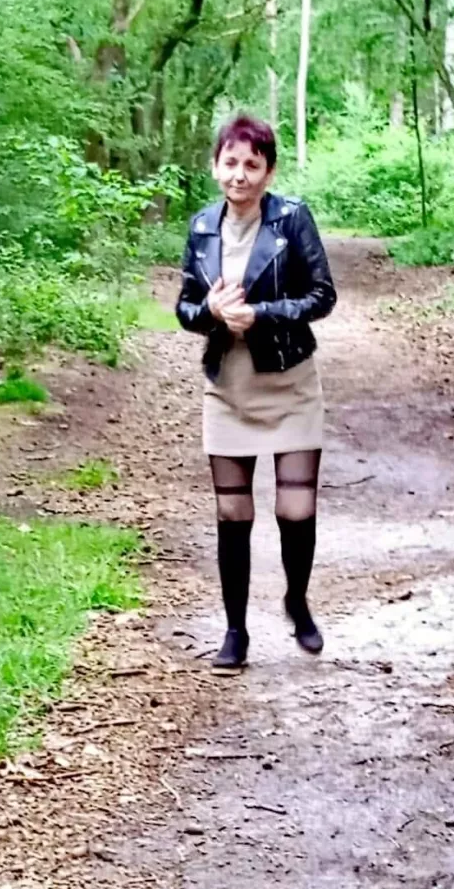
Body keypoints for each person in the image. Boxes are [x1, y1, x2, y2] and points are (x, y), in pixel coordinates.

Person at [175, 113, 337, 671]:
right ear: (214, 166)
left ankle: (297, 601)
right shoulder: (202, 227)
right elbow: (185, 308)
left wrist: (262, 314)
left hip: (291, 383)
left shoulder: (292, 219)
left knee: (296, 509)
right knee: (232, 512)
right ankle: (235, 630)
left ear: (269, 172)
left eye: (251, 164)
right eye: (230, 162)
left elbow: (322, 296)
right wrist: (210, 310)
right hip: (229, 388)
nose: (239, 175)